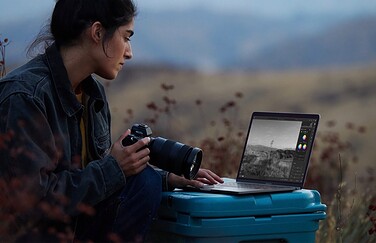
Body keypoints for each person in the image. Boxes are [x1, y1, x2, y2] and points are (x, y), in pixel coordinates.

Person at [0, 0, 223, 242]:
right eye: (126, 37)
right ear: (97, 32)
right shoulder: (25, 97)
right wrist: (114, 168)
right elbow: (32, 202)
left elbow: (91, 181)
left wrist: (166, 178)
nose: (129, 52)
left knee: (147, 181)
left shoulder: (93, 95)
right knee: (144, 183)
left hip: (73, 227)